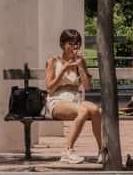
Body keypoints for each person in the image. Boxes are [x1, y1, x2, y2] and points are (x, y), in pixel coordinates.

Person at [44, 28, 102, 166]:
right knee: (83, 111)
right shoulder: (53, 61)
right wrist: (63, 69)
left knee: (95, 110)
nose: (75, 47)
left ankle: (102, 149)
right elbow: (49, 87)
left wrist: (81, 66)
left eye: (77, 43)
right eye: (71, 43)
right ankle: (67, 151)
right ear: (62, 44)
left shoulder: (80, 62)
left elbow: (87, 87)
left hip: (76, 98)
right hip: (57, 100)